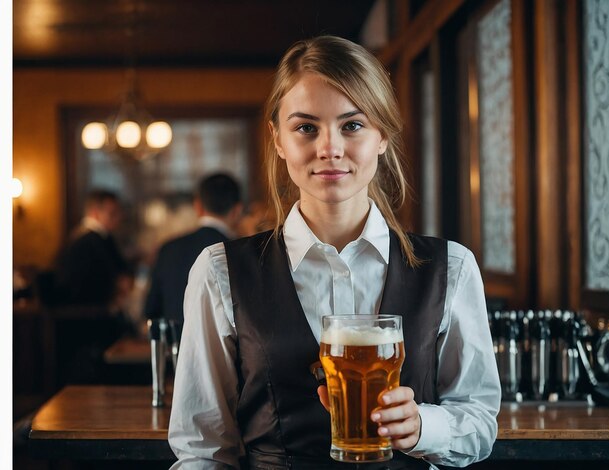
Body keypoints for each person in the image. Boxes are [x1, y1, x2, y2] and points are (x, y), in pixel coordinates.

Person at [169, 36, 500, 469]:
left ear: (382, 135)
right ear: (278, 140)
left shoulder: (452, 267)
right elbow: (202, 450)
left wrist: (423, 427)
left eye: (353, 125)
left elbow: (479, 421)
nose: (330, 148)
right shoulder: (219, 271)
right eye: (306, 127)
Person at [144, 173, 242, 325]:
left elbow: (151, 309)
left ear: (197, 206)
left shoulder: (168, 248)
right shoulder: (241, 253)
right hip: (225, 347)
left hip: (177, 344)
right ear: (237, 210)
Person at [55, 189, 133, 309]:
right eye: (112, 213)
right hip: (87, 314)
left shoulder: (87, 237)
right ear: (95, 213)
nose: (118, 219)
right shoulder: (92, 240)